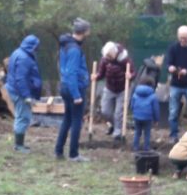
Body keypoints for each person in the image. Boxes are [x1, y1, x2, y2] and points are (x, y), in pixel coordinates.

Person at [54, 18, 92, 162]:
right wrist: (76, 94)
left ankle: (58, 150)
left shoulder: (65, 45)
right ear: (84, 32)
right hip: (74, 89)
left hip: (65, 86)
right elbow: (71, 72)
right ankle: (74, 154)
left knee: (67, 119)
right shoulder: (75, 49)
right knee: (76, 121)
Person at [163, 25, 187, 141]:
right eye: (181, 38)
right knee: (173, 111)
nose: (183, 40)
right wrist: (170, 67)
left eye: (185, 38)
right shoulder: (173, 48)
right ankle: (173, 135)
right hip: (176, 84)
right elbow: (168, 62)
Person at [7, 34, 42, 153]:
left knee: (21, 116)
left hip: (14, 88)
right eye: (36, 46)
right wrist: (27, 96)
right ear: (31, 46)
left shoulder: (18, 52)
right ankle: (19, 145)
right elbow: (21, 79)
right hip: (19, 92)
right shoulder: (24, 58)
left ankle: (19, 143)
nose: (37, 49)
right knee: (23, 117)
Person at [93, 41, 135, 140]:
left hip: (123, 89)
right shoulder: (104, 60)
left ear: (113, 53)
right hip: (109, 88)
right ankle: (114, 125)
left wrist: (130, 76)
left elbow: (133, 72)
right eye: (106, 56)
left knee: (119, 112)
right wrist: (96, 77)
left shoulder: (124, 59)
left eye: (109, 56)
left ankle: (117, 133)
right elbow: (101, 73)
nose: (107, 58)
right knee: (105, 111)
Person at [130, 76, 159, 151]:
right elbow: (156, 109)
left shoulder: (135, 94)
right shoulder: (153, 96)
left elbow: (132, 105)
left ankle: (135, 147)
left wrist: (134, 113)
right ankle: (146, 147)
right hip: (147, 118)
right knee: (147, 133)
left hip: (137, 117)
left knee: (137, 132)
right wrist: (156, 120)